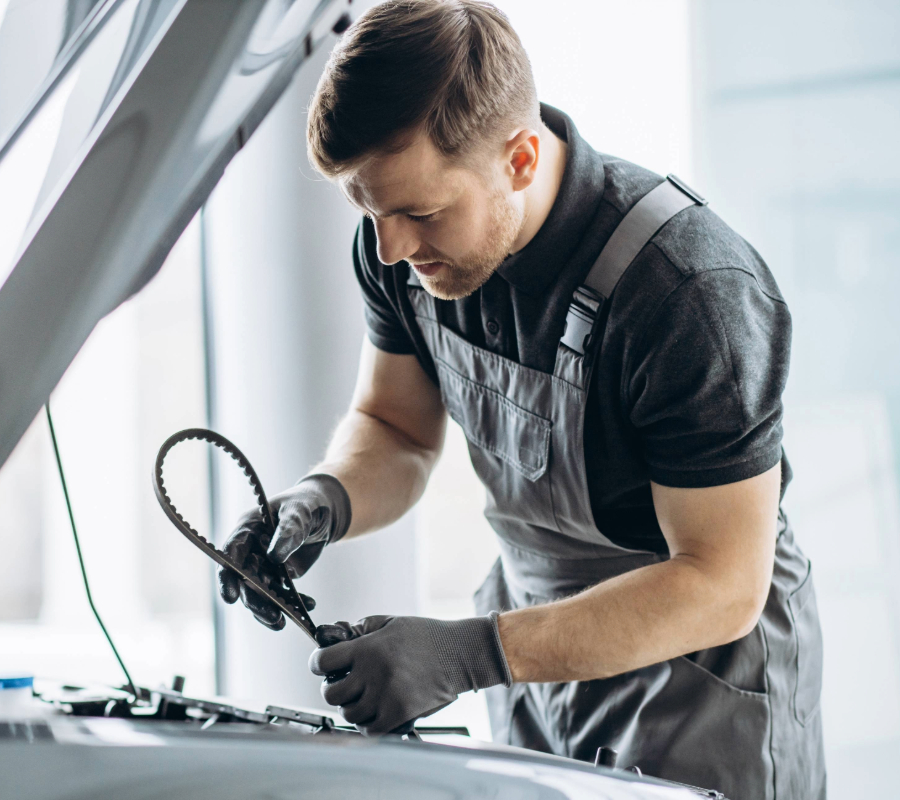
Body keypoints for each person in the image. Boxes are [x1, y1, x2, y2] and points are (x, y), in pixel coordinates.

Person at [217, 1, 826, 797]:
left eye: (420, 213)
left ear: (522, 158)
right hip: (535, 661)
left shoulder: (688, 295)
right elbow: (394, 428)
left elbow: (720, 584)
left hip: (700, 681)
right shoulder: (405, 250)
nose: (393, 250)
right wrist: (322, 500)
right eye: (369, 210)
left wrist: (470, 653)